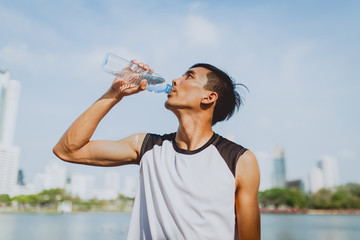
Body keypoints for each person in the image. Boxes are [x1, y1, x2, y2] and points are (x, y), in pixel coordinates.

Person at [53, 60, 261, 240]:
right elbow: (68, 150)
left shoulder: (239, 160)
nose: (175, 80)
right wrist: (114, 94)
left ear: (209, 97)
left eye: (189, 76)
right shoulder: (147, 147)